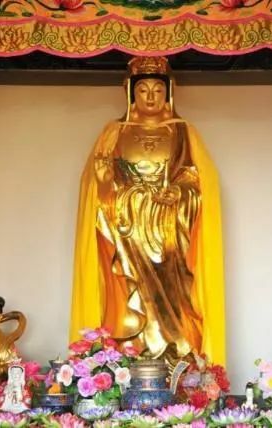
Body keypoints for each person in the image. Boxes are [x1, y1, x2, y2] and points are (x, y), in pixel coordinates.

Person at [70, 56, 225, 365]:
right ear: (130, 92)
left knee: (172, 289)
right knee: (129, 286)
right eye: (143, 90)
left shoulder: (182, 132)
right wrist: (105, 182)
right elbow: (98, 192)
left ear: (169, 92)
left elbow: (196, 180)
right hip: (128, 226)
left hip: (169, 226)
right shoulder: (114, 132)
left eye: (157, 90)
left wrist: (179, 192)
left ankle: (174, 350)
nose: (151, 97)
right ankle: (132, 352)